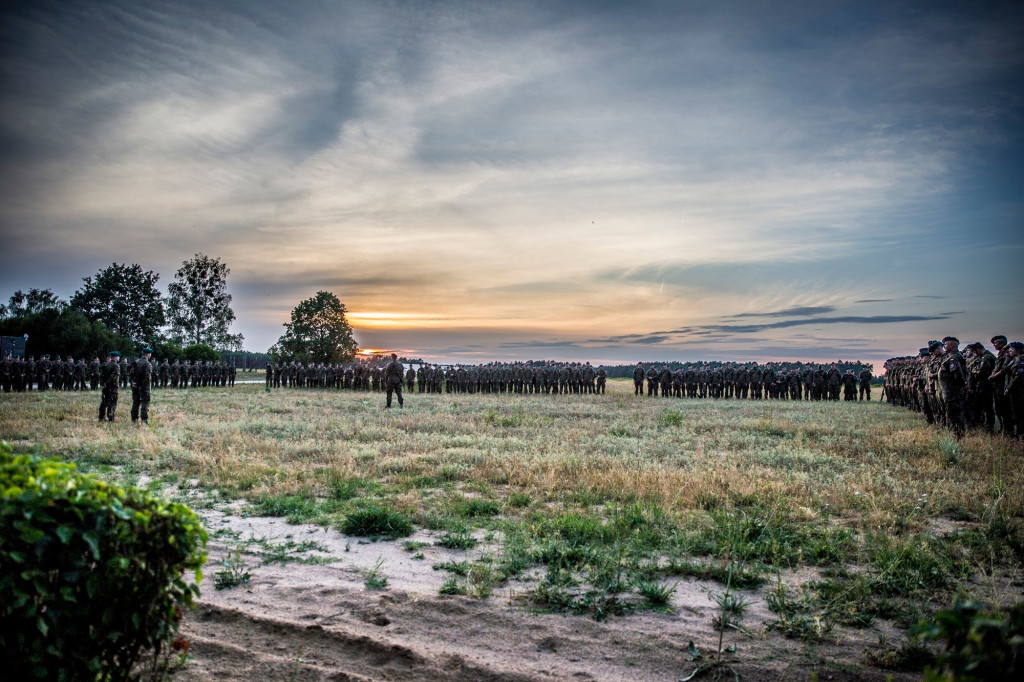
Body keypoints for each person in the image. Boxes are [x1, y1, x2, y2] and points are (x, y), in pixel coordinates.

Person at [131, 347, 153, 424]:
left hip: (135, 386)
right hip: (144, 387)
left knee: (136, 403)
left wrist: (133, 382)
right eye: (150, 354)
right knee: (145, 403)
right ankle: (144, 420)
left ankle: (134, 418)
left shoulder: (136, 362)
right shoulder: (147, 363)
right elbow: (147, 377)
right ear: (148, 354)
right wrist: (142, 385)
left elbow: (131, 374)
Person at [99, 351, 120, 422]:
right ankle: (111, 418)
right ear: (116, 357)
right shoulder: (116, 365)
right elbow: (113, 377)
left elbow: (101, 376)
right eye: (118, 356)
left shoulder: (105, 365)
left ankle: (101, 417)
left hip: (106, 387)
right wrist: (107, 383)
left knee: (104, 402)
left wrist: (103, 384)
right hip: (112, 387)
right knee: (112, 403)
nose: (118, 357)